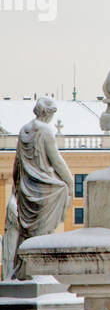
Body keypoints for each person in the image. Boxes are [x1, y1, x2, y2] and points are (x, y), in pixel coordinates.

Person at [10, 98, 74, 279]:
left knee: (27, 231)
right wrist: (69, 181)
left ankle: (23, 270)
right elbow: (56, 160)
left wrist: (16, 184)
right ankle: (40, 270)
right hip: (44, 188)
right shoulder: (45, 131)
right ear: (47, 113)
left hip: (25, 188)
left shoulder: (24, 130)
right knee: (44, 227)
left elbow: (17, 163)